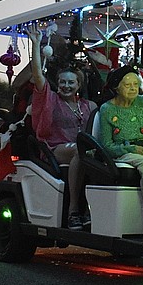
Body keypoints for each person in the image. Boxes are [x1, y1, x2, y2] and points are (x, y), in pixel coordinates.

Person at [29, 28, 96, 229]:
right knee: (80, 150)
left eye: (71, 82)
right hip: (56, 148)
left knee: (90, 153)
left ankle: (92, 209)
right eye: (62, 82)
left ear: (78, 84)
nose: (66, 86)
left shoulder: (89, 106)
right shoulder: (50, 99)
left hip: (84, 151)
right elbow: (38, 75)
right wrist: (36, 45)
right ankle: (74, 211)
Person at [97, 66, 143, 211]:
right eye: (128, 85)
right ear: (117, 87)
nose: (133, 89)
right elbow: (107, 146)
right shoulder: (107, 109)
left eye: (136, 84)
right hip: (127, 151)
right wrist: (134, 149)